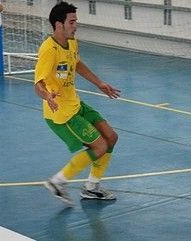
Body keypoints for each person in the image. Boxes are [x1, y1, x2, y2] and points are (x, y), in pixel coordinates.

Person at [34, 1, 121, 206]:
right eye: (72, 21)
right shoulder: (48, 50)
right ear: (58, 24)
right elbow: (38, 84)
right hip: (61, 114)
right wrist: (47, 96)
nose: (76, 25)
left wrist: (99, 83)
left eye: (76, 21)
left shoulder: (72, 42)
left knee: (111, 137)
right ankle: (57, 181)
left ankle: (91, 188)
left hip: (75, 104)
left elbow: (77, 63)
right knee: (99, 146)